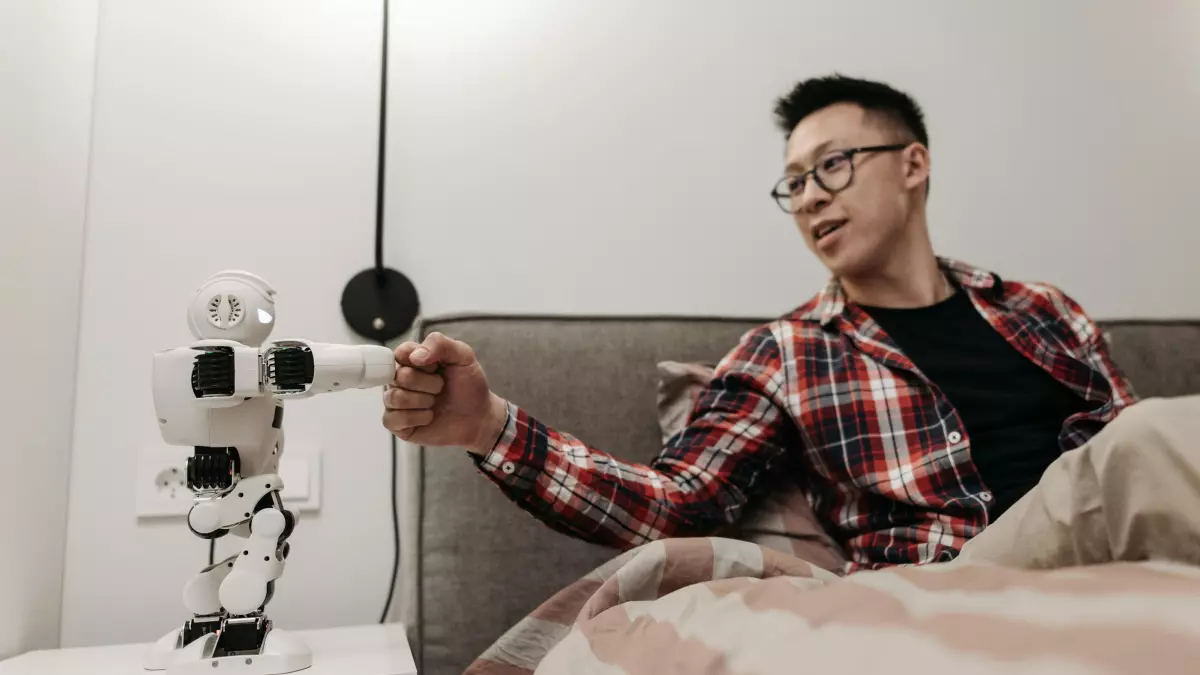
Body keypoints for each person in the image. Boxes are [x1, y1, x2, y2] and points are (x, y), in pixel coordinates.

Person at [381, 74, 1200, 572]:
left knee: (1149, 442)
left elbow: (1127, 473)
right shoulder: (790, 352)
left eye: (832, 166)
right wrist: (488, 425)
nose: (808, 196)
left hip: (1106, 558)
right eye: (793, 183)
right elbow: (675, 504)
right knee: (1155, 442)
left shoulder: (1044, 312)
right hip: (952, 576)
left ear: (912, 164)